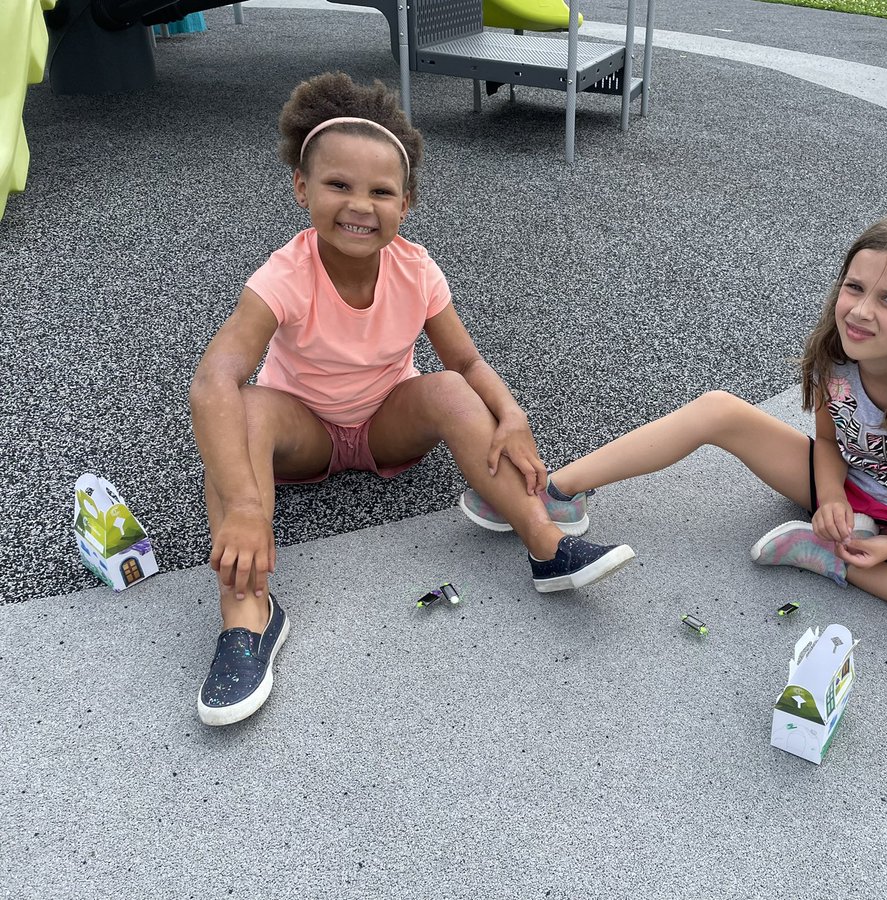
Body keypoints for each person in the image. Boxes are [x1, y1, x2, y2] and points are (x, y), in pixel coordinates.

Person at [190, 72, 634, 727]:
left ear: (407, 202)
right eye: (338, 185)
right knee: (242, 412)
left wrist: (511, 414)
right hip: (302, 434)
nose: (359, 205)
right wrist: (247, 507)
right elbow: (213, 381)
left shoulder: (416, 269)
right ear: (301, 188)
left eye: (380, 191)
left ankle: (546, 545)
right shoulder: (283, 275)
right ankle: (247, 615)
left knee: (452, 389)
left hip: (384, 426)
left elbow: (465, 362)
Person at [461, 212, 887, 658]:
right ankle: (557, 491)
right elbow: (829, 442)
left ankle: (838, 564)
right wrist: (831, 497)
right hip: (843, 489)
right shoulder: (836, 356)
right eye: (854, 287)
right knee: (720, 409)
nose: (859, 311)